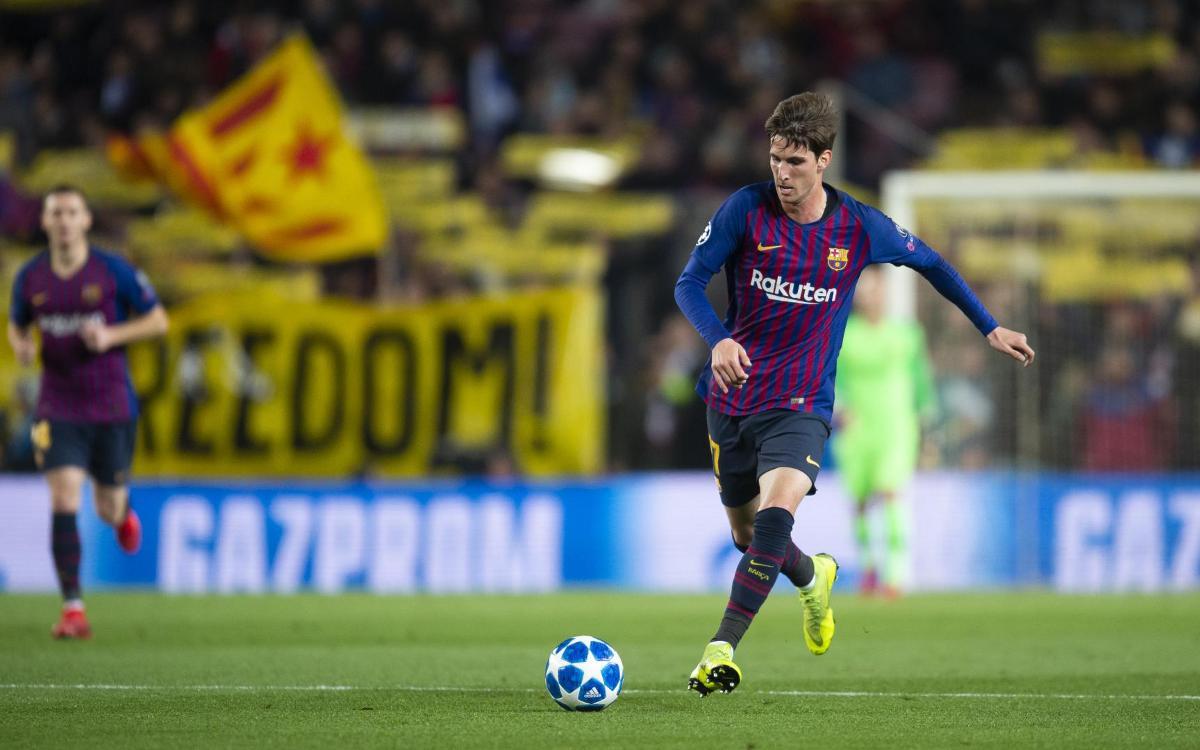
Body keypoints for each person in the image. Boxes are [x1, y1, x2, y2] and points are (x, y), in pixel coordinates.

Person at [673, 92, 1034, 696]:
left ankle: (720, 650)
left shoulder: (859, 227)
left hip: (801, 405)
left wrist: (989, 326)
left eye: (794, 162)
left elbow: (934, 263)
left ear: (823, 160)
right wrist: (718, 340)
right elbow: (689, 283)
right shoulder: (745, 210)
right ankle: (812, 576)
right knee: (749, 536)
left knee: (774, 519)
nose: (782, 173)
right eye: (775, 159)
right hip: (731, 397)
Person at [7, 185, 169, 639]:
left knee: (107, 508)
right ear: (44, 222)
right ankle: (73, 608)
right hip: (56, 405)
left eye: (71, 212)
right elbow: (17, 323)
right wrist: (21, 344)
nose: (63, 221)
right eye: (55, 213)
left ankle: (124, 514)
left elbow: (158, 320)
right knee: (63, 496)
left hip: (110, 404)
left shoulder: (113, 271)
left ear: (86, 220)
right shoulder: (31, 277)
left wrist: (111, 336)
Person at [833, 266, 936, 597]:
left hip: (896, 426)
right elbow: (834, 378)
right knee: (861, 500)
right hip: (857, 428)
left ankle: (896, 574)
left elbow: (921, 381)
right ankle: (868, 569)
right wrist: (840, 408)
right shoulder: (845, 334)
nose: (872, 296)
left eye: (876, 289)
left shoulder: (907, 334)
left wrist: (928, 428)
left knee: (891, 492)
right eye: (865, 291)